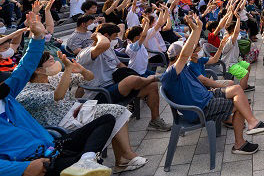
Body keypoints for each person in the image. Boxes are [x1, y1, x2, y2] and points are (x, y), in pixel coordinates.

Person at [0, 12, 116, 176]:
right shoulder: (22, 93)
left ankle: (86, 160)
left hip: (51, 144)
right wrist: (22, 169)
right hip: (31, 162)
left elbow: (25, 67)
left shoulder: (5, 94)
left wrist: (38, 36)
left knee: (106, 120)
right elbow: (57, 95)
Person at [160, 14, 264, 155]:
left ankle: (252, 122)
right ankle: (239, 145)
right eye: (186, 51)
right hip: (200, 108)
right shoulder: (170, 74)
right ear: (177, 57)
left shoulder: (184, 68)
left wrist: (198, 27)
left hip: (206, 97)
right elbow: (185, 55)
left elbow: (199, 57)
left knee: (237, 88)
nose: (191, 51)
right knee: (239, 106)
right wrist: (196, 31)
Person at [17, 51, 147, 172]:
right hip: (61, 123)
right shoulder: (27, 93)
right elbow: (58, 95)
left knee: (118, 111)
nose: (56, 62)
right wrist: (68, 69)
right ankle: (124, 158)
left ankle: (123, 159)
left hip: (77, 111)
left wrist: (82, 70)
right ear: (38, 70)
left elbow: (89, 77)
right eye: (51, 61)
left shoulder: (54, 77)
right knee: (116, 111)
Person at [76, 22, 171, 131]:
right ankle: (156, 77)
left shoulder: (109, 50)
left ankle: (155, 121)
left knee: (151, 85)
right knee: (133, 80)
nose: (115, 40)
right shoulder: (86, 52)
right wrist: (98, 35)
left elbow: (119, 64)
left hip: (116, 86)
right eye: (113, 37)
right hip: (101, 92)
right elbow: (103, 45)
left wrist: (129, 73)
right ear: (106, 36)